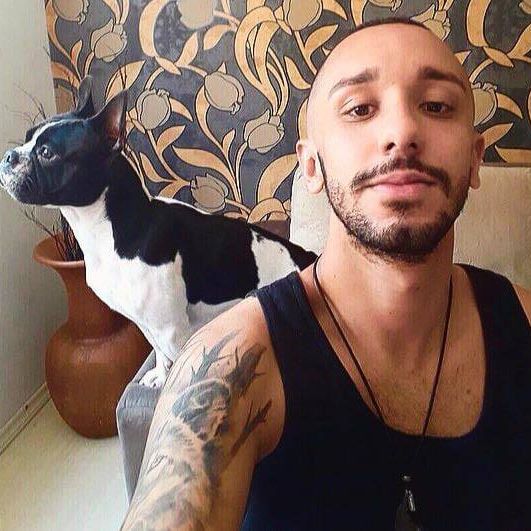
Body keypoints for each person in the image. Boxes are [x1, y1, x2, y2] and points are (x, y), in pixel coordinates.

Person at [121, 17, 531, 530]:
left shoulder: (523, 323)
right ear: (311, 165)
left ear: (474, 159)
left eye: (435, 106)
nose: (402, 132)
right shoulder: (230, 367)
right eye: (360, 108)